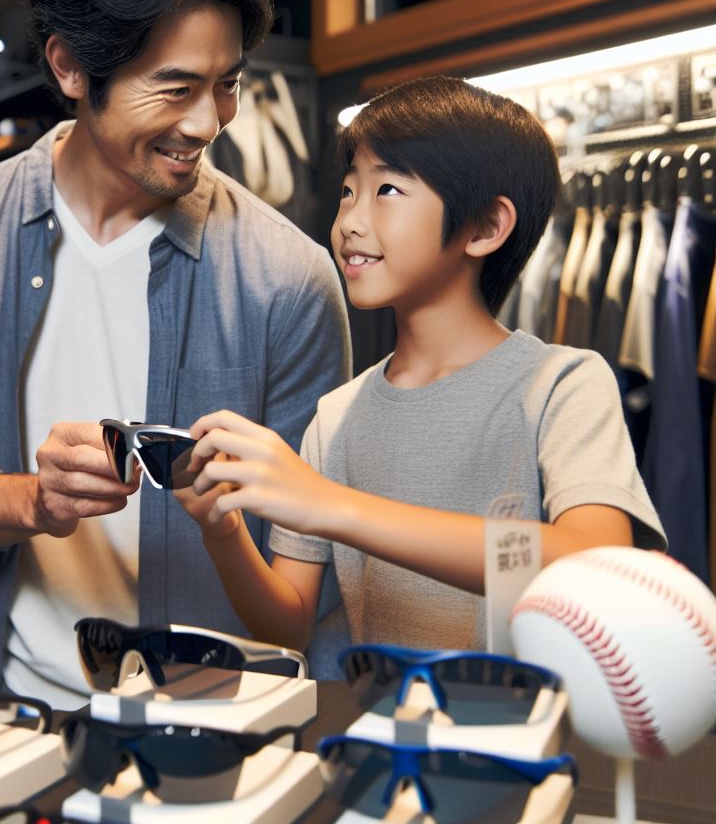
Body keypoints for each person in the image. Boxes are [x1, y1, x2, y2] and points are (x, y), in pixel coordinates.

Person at [0, 0, 351, 705]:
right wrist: (33, 498)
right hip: (5, 703)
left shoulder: (290, 280)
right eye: (174, 88)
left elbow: (311, 569)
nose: (208, 123)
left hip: (211, 735)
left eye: (227, 84)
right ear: (68, 65)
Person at [180, 76, 666, 656]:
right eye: (347, 191)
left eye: (387, 190)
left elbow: (592, 560)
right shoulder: (335, 418)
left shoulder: (562, 385)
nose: (351, 221)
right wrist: (224, 531)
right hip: (375, 735)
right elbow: (289, 628)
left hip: (520, 736)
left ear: (486, 227)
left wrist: (333, 505)